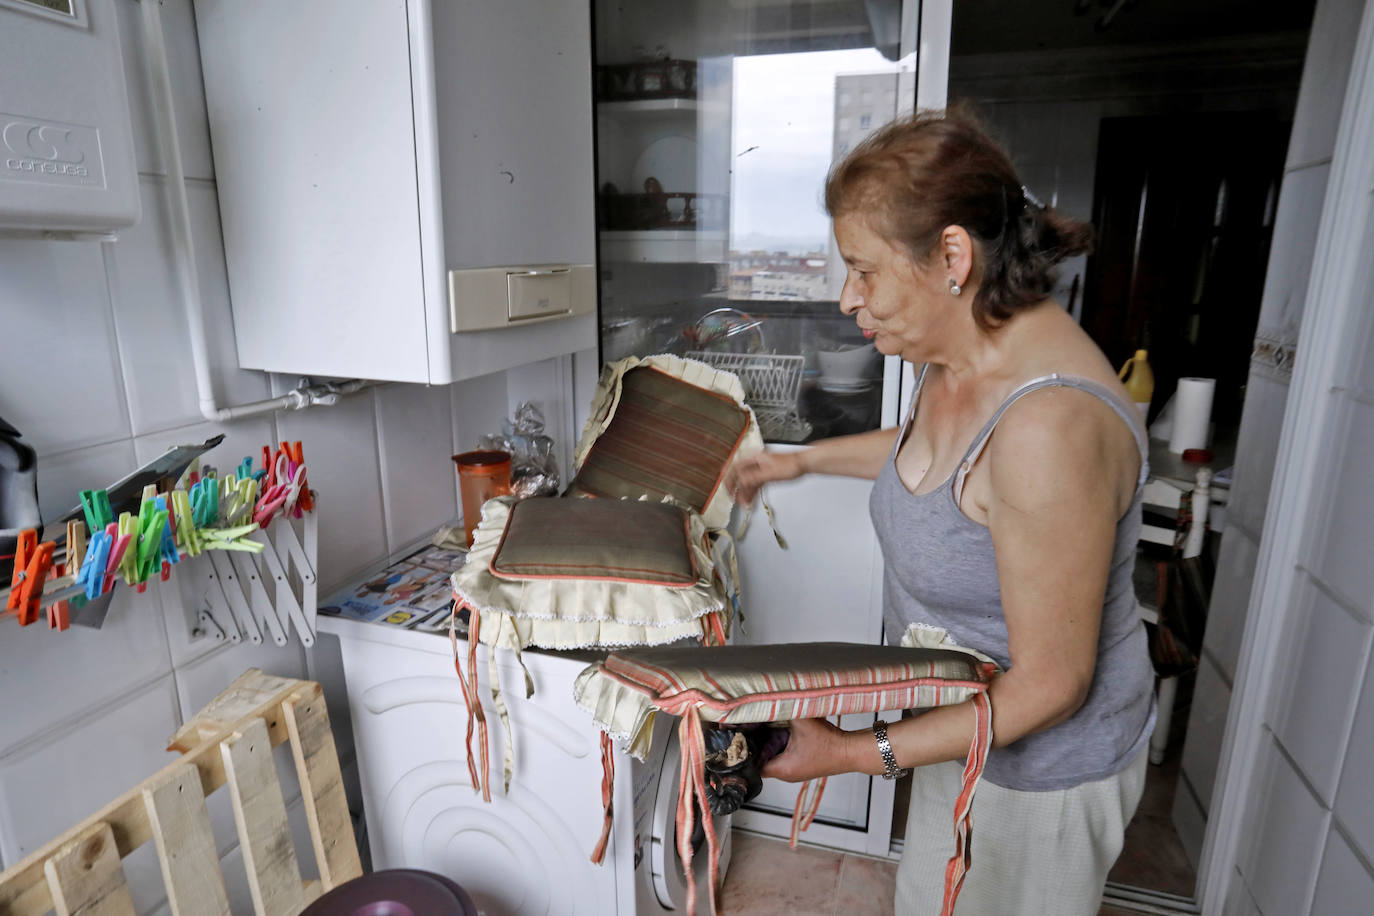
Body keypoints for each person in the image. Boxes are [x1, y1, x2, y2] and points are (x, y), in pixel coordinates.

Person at [728, 107, 1156, 915]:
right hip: (963, 733)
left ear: (952, 256)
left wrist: (856, 754)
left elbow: (1052, 687)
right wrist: (804, 460)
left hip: (1041, 774)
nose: (848, 297)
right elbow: (934, 456)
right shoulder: (962, 352)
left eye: (865, 270)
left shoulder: (1048, 429)